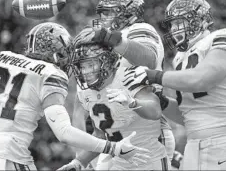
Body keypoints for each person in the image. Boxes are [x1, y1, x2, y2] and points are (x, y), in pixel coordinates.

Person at [0, 22, 150, 170]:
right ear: (56, 52)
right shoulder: (50, 73)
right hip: (10, 159)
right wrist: (114, 148)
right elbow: (64, 133)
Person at [78, 0, 176, 167]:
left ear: (127, 13)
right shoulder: (108, 39)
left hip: (144, 129)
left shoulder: (138, 29)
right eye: (101, 14)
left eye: (108, 12)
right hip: (113, 130)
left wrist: (112, 39)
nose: (102, 19)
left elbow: (148, 58)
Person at [144, 0, 226, 170]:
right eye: (172, 24)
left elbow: (202, 79)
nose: (174, 29)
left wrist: (155, 76)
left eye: (179, 22)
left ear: (201, 20)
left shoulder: (223, 37)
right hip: (193, 145)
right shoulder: (180, 58)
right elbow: (188, 116)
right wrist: (161, 101)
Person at [58, 27, 171, 170]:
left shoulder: (128, 76)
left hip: (149, 161)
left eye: (91, 64)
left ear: (107, 61)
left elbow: (155, 111)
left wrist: (132, 102)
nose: (85, 72)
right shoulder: (86, 92)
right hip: (119, 164)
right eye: (82, 66)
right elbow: (101, 135)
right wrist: (79, 162)